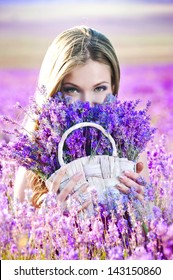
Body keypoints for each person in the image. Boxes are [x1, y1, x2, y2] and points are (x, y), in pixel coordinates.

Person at [14, 25, 148, 209]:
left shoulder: (130, 149)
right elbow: (19, 235)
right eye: (72, 90)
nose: (87, 105)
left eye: (99, 88)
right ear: (54, 91)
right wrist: (48, 220)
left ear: (114, 88)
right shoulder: (35, 159)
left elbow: (149, 228)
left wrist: (142, 207)